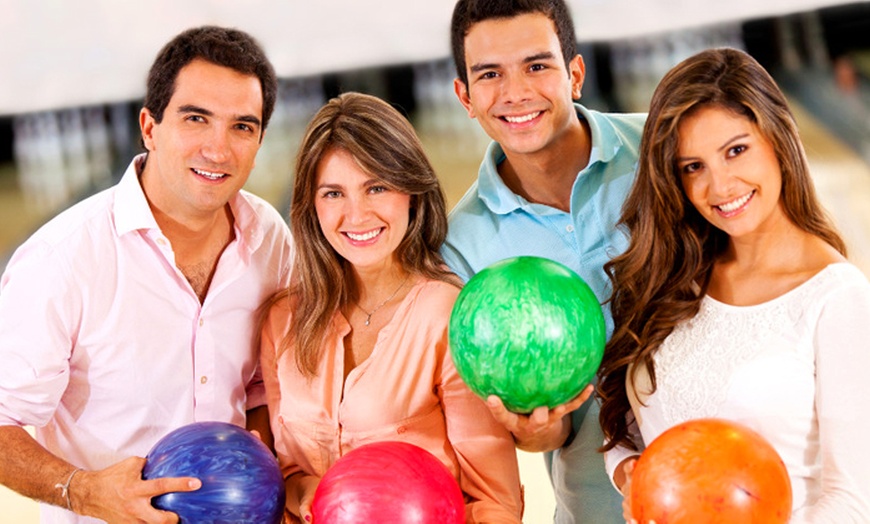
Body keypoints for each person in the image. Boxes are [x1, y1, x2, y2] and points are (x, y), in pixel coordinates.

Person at [0, 26, 293, 523]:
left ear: (260, 139)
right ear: (149, 126)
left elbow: (264, 386)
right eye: (196, 119)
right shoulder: (62, 260)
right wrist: (84, 491)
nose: (218, 150)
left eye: (242, 126)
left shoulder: (271, 239)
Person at [598, 47, 870, 522]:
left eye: (736, 150)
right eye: (693, 167)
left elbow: (854, 499)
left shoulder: (837, 299)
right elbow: (627, 424)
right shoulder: (672, 274)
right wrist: (634, 476)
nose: (720, 187)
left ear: (778, 138)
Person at [259, 92, 524, 523]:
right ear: (311, 206)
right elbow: (285, 472)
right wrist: (301, 488)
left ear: (412, 194)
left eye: (376, 187)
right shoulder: (282, 321)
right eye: (333, 193)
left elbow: (496, 503)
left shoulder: (450, 317)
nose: (356, 214)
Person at [441, 0, 645, 521]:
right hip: (598, 509)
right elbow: (543, 430)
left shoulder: (661, 149)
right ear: (464, 97)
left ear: (575, 73)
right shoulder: (459, 246)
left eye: (537, 65)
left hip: (733, 488)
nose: (515, 93)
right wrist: (535, 429)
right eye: (490, 74)